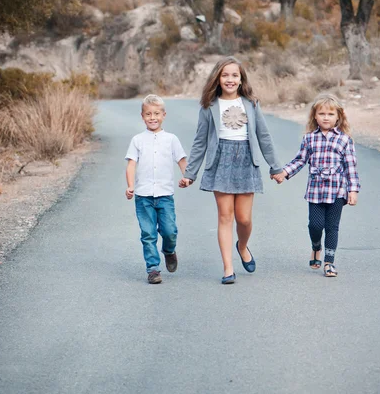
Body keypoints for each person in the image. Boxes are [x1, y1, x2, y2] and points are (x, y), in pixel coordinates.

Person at [179, 56, 283, 284]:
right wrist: (190, 174)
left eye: (234, 75)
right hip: (221, 161)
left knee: (244, 219)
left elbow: (263, 136)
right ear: (217, 78)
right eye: (225, 75)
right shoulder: (209, 105)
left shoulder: (251, 103)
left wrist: (276, 167)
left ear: (241, 78)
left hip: (247, 159)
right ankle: (228, 269)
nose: (230, 79)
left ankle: (242, 246)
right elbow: (200, 142)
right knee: (225, 216)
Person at [273, 93, 360, 278]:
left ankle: (329, 263)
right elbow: (300, 160)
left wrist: (353, 190)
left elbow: (351, 166)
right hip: (316, 191)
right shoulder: (309, 139)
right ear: (315, 116)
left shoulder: (345, 140)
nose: (326, 117)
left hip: (337, 191)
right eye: (321, 114)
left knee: (332, 227)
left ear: (338, 116)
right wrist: (284, 172)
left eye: (330, 114)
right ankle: (315, 247)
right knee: (315, 225)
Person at [125, 94, 187, 284]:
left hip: (165, 195)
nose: (153, 118)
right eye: (148, 114)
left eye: (156, 114)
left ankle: (168, 250)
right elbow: (131, 164)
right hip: (143, 197)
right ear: (142, 116)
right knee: (148, 233)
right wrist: (130, 186)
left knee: (170, 231)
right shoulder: (137, 140)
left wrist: (186, 176)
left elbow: (182, 160)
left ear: (164, 115)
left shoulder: (171, 139)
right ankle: (153, 269)